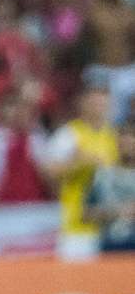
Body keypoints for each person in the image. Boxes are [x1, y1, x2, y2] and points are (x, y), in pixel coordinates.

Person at [43, 83, 119, 259]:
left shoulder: (115, 135)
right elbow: (48, 170)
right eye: (93, 100)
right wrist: (79, 163)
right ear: (82, 103)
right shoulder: (69, 135)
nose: (98, 105)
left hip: (111, 225)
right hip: (77, 226)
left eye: (102, 101)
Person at [84, 120, 135, 253]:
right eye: (123, 139)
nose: (127, 144)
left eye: (131, 139)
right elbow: (86, 214)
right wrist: (116, 212)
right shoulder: (102, 175)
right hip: (111, 246)